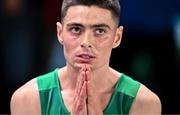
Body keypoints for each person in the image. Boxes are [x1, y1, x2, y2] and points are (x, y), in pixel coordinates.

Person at [10, 0, 161, 114]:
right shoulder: (27, 99)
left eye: (100, 31)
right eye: (76, 29)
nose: (86, 42)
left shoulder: (144, 103)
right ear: (59, 33)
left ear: (117, 37)